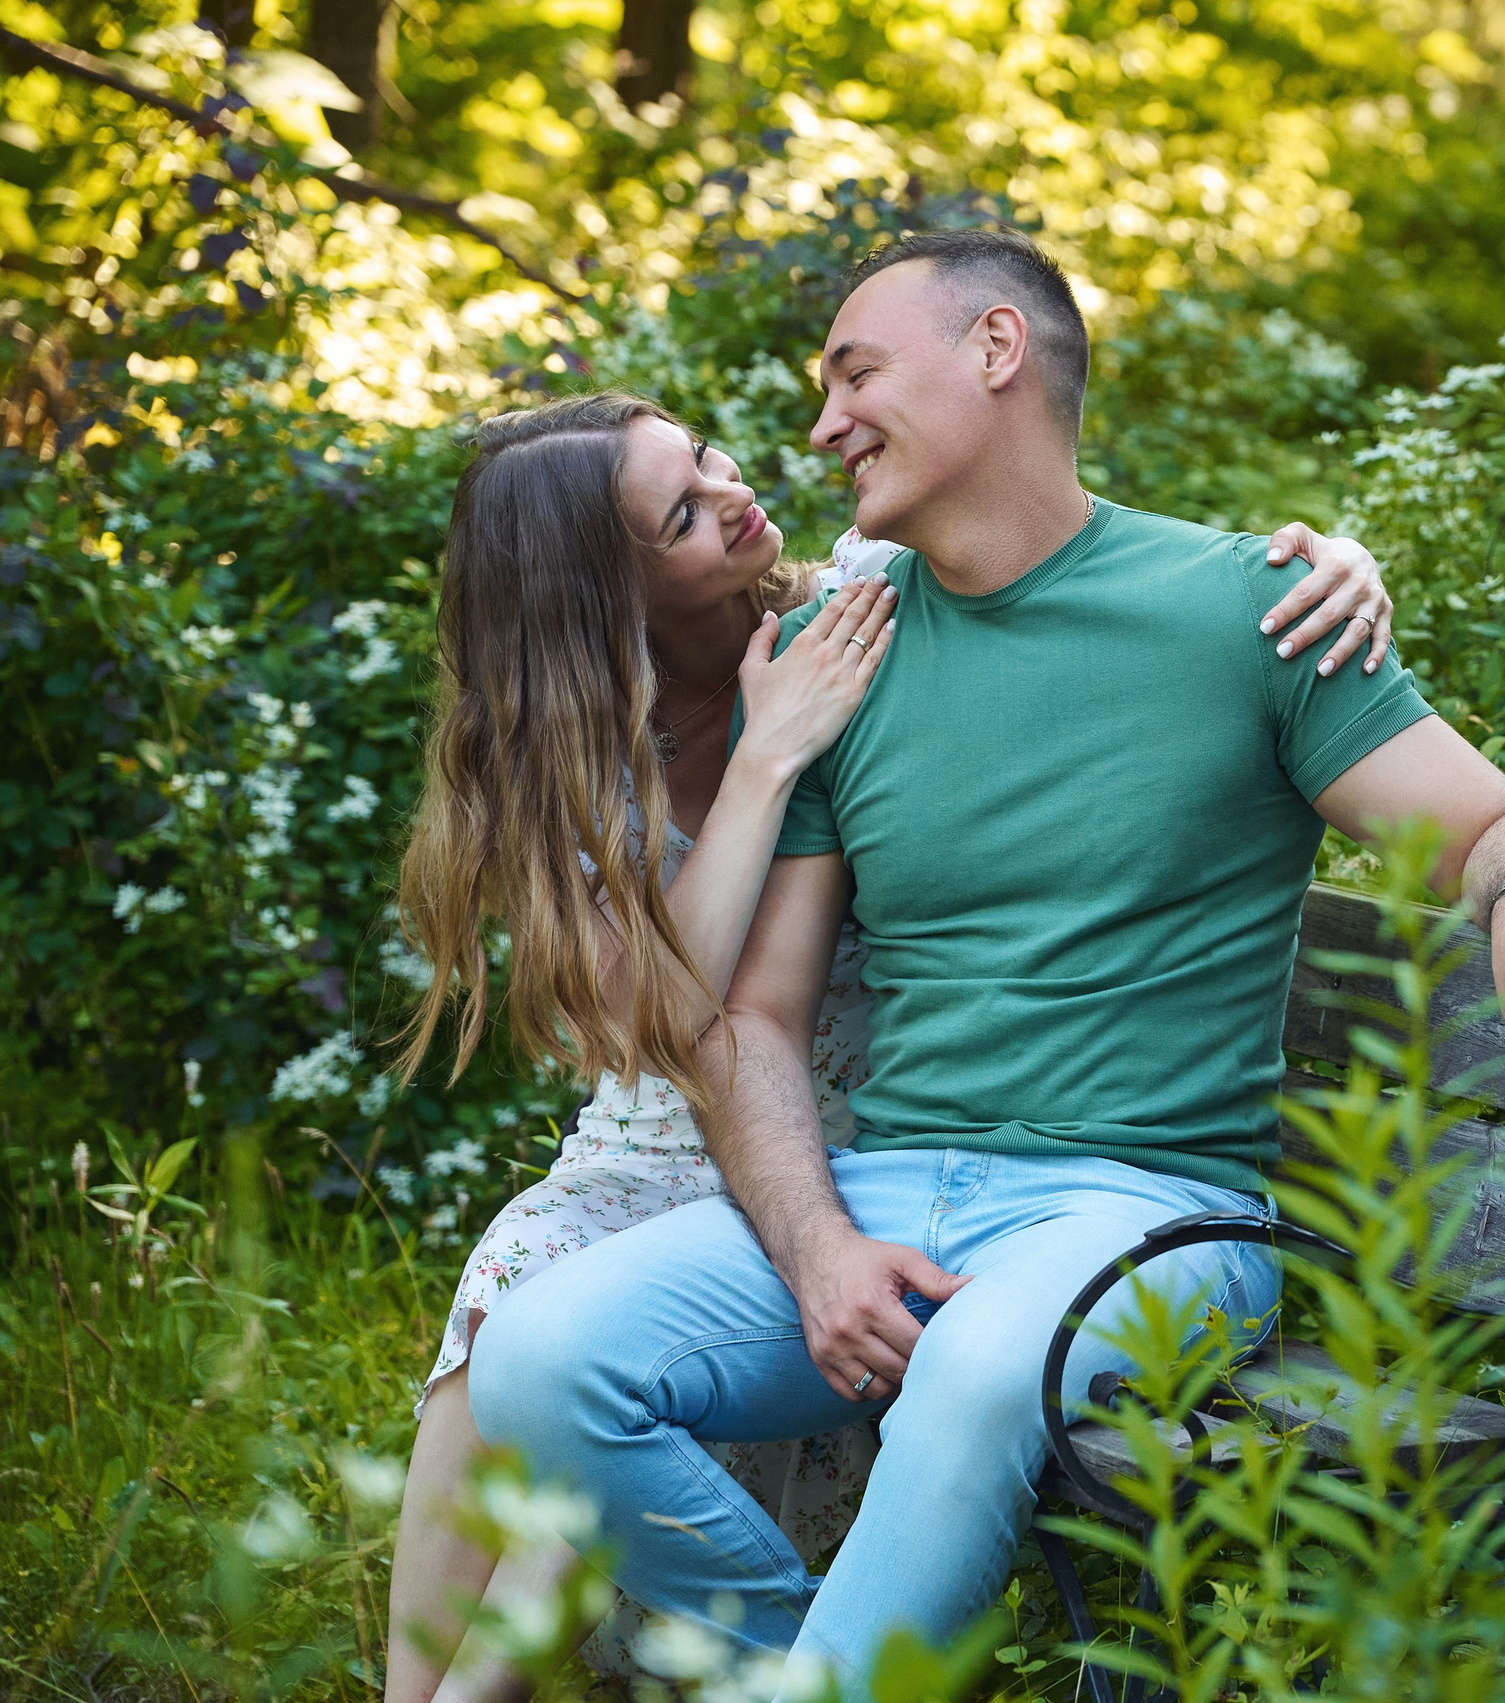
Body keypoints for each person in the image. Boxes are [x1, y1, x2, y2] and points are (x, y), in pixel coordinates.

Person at [465, 227, 1505, 1697]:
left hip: (1157, 1212)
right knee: (540, 1361)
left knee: (987, 1365)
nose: (820, 425)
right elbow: (758, 1021)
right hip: (897, 1195)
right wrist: (819, 1249)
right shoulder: (838, 650)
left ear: (996, 352)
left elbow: (1498, 822)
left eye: (856, 372)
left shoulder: (1249, 611)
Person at [381, 387, 1403, 1703]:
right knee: (519, 1305)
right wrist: (767, 759)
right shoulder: (569, 759)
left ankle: (773, 1673)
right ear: (601, 600)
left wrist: (1324, 558)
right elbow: (667, 1018)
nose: (736, 489)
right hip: (683, 1118)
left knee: (563, 1390)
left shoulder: (862, 593)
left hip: (877, 1131)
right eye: (683, 515)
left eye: (701, 457)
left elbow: (1094, 566)